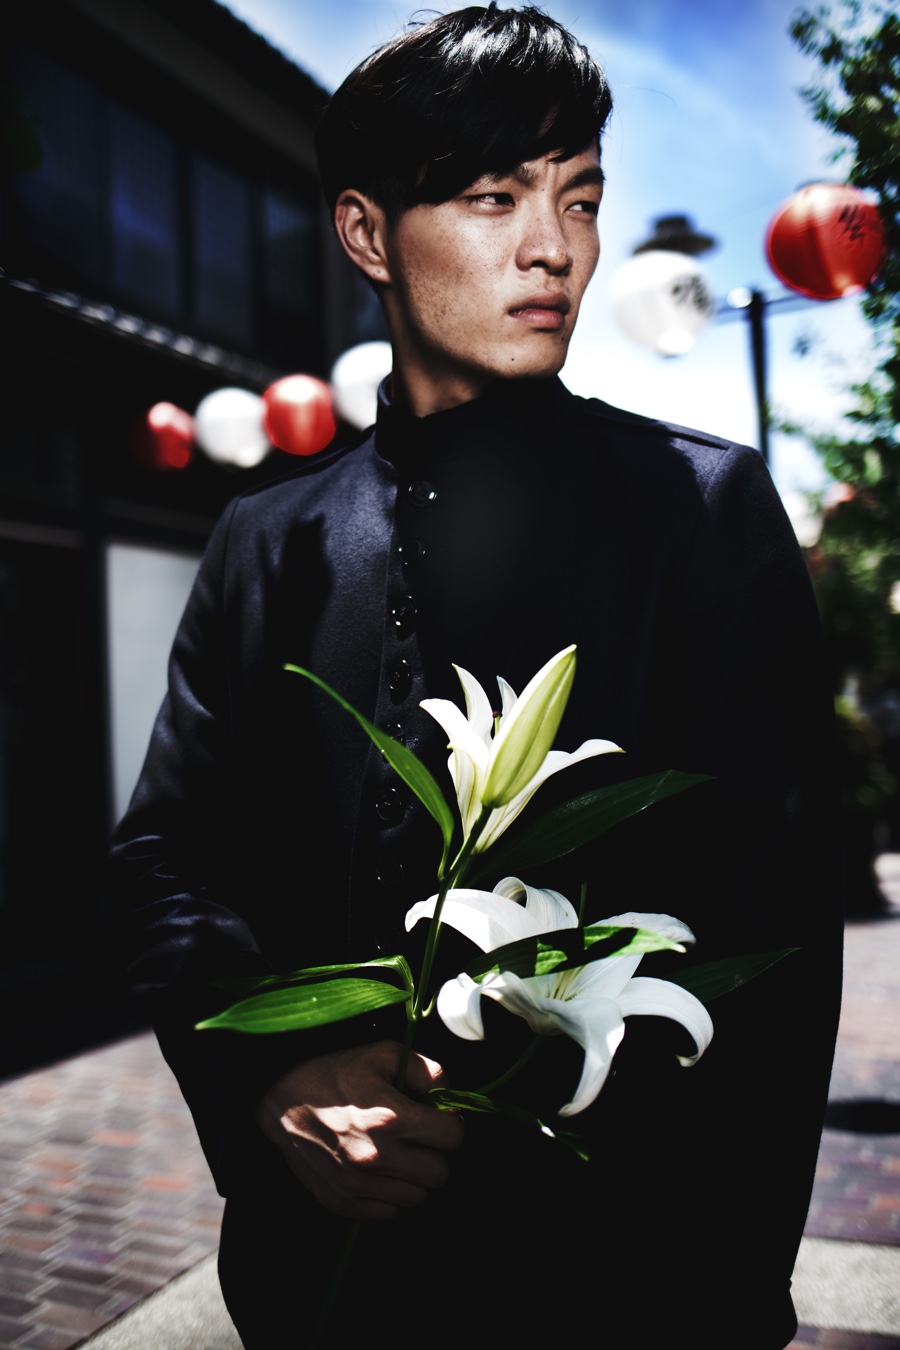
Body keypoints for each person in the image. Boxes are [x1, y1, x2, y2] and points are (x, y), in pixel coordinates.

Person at [110, 6, 843, 1346]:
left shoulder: (698, 510)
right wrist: (272, 1076)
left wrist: (728, 1291)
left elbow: (777, 934)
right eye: (495, 197)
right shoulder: (267, 539)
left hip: (620, 1281)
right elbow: (167, 856)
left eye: (580, 197)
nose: (555, 246)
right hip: (321, 1273)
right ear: (367, 233)